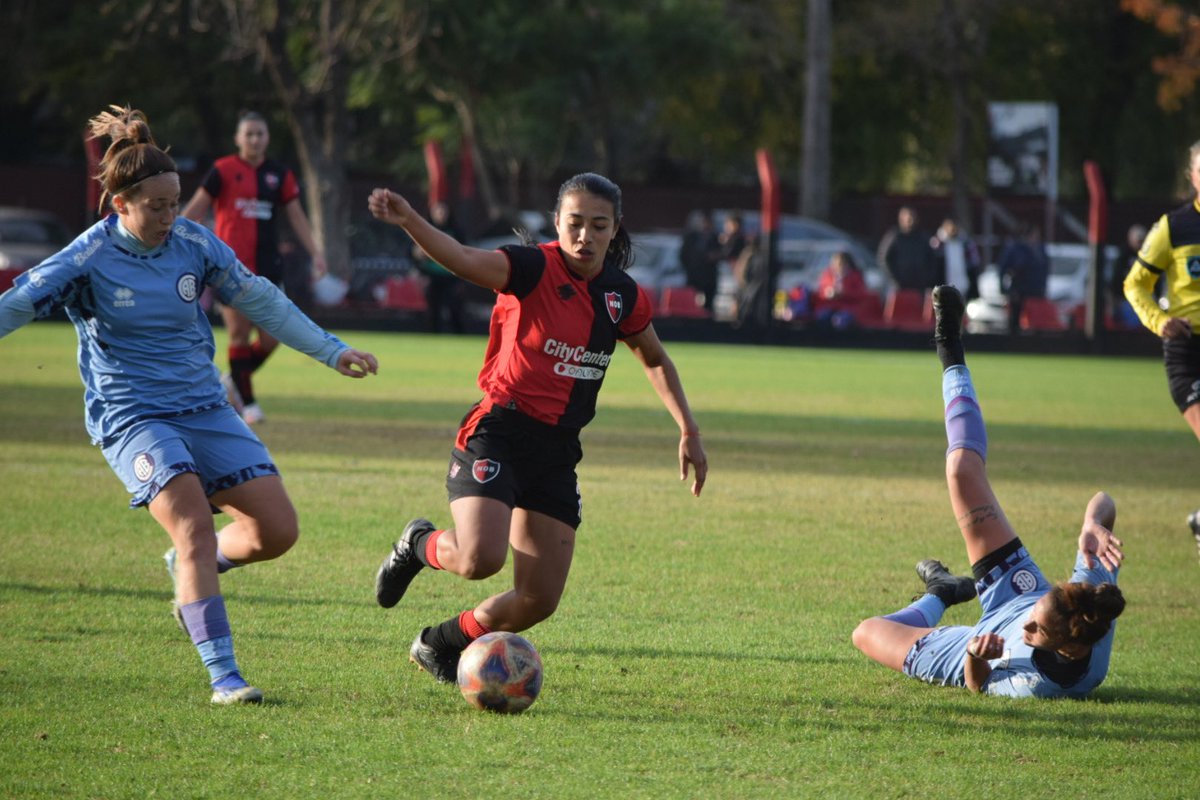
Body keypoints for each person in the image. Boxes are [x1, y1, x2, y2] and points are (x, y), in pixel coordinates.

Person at [0, 105, 378, 704]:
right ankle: (224, 676)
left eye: (175, 203)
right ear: (120, 204)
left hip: (205, 407)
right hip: (133, 417)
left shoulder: (195, 244)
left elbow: (263, 302)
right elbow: (16, 306)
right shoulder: (87, 258)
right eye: (156, 206)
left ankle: (188, 573)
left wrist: (331, 350)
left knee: (277, 531)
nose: (170, 216)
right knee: (193, 524)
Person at [366, 172, 708, 683]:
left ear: (615, 230)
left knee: (538, 599)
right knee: (480, 558)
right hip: (499, 431)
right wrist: (409, 219)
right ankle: (419, 543)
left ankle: (441, 641)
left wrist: (689, 430)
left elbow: (654, 359)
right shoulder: (529, 268)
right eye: (574, 223)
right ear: (557, 223)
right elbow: (461, 258)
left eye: (598, 225)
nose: (584, 236)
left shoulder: (622, 295)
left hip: (556, 452)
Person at [851, 285, 1126, 697]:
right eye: (1036, 615)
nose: (1026, 626)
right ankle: (949, 344)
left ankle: (941, 594)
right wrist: (1093, 521)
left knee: (867, 632)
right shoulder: (1085, 610)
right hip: (1017, 590)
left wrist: (976, 655)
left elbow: (977, 685)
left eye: (1035, 630)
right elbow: (1104, 501)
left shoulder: (1035, 686)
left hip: (979, 651)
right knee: (961, 469)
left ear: (1067, 646)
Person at [182, 110, 328, 425]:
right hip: (227, 267)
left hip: (267, 268)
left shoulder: (279, 174)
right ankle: (248, 404)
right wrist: (170, 236)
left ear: (267, 138)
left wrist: (316, 252)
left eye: (259, 133)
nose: (254, 139)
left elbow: (297, 216)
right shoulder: (222, 170)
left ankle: (234, 381)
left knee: (272, 338)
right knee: (238, 333)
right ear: (238, 138)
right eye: (248, 134)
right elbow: (196, 208)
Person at [1124, 140, 1200, 558]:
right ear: (1193, 176)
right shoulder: (1174, 227)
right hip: (1187, 352)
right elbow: (1135, 283)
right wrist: (1159, 320)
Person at [411, 200, 466, 333]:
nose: (441, 214)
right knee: (433, 310)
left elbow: (465, 255)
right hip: (431, 277)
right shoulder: (425, 231)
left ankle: (459, 336)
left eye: (443, 211)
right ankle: (433, 335)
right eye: (438, 211)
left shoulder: (456, 232)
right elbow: (413, 254)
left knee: (455, 308)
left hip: (451, 277)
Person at [997, 223, 1049, 333]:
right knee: (1015, 317)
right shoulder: (1015, 249)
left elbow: (1044, 269)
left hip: (1035, 290)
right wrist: (1004, 288)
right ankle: (1013, 339)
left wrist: (1043, 286)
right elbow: (1003, 268)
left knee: (1036, 319)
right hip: (1019, 289)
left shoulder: (1040, 249)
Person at [877, 206, 937, 291]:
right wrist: (895, 280)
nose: (910, 220)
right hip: (899, 288)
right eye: (908, 217)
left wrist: (927, 279)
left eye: (912, 216)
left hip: (920, 288)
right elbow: (883, 259)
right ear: (901, 219)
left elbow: (932, 260)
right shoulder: (894, 237)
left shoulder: (923, 237)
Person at [811, 250, 871, 328]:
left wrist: (843, 293)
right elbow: (821, 290)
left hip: (848, 307)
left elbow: (861, 294)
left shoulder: (855, 276)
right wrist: (828, 293)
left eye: (841, 264)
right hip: (830, 306)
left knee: (840, 320)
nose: (838, 267)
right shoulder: (828, 275)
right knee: (822, 317)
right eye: (836, 264)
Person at [929, 217, 981, 300]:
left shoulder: (966, 244)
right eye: (948, 226)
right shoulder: (937, 245)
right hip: (944, 290)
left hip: (965, 289)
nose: (952, 229)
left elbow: (974, 265)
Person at [680, 210, 721, 313]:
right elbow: (683, 255)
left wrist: (714, 256)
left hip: (709, 277)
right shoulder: (691, 237)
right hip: (694, 275)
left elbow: (720, 253)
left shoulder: (715, 238)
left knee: (708, 305)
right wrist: (690, 268)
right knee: (691, 301)